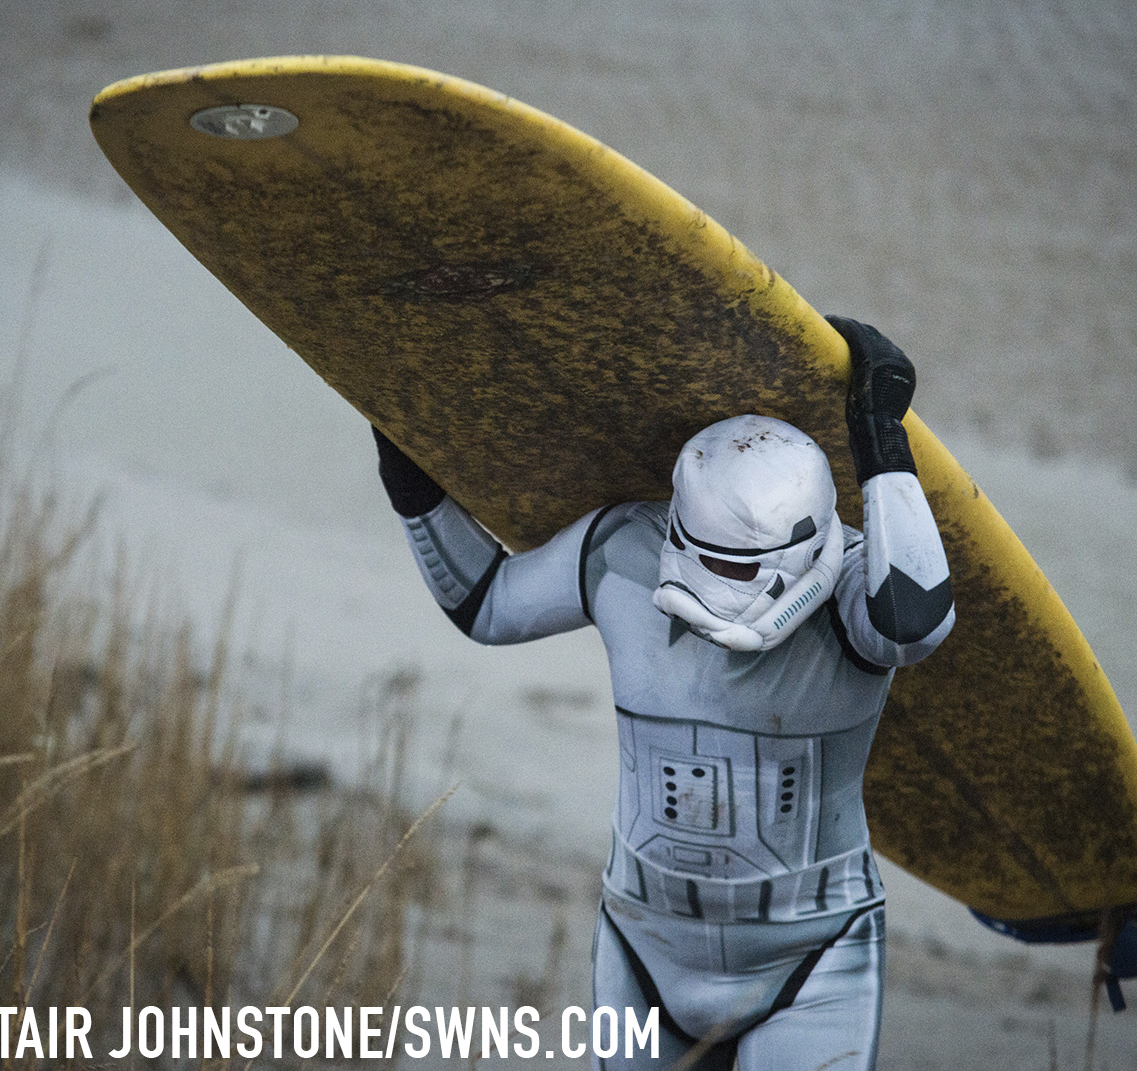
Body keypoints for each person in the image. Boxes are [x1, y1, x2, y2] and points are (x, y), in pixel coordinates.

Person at [372, 317, 955, 1070]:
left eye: (743, 569)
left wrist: (880, 432)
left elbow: (917, 621)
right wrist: (397, 438)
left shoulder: (852, 588)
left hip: (812, 963)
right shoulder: (625, 550)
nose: (716, 590)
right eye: (704, 557)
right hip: (642, 950)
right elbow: (485, 600)